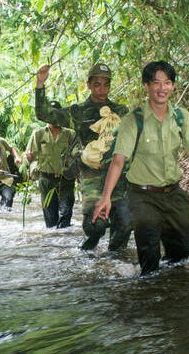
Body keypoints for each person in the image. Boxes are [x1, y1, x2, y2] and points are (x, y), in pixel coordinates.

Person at [93, 61, 189, 275]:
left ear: (173, 86)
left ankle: (170, 287)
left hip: (173, 193)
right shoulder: (133, 121)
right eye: (156, 83)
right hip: (142, 195)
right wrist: (105, 197)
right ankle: (150, 291)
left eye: (167, 83)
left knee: (182, 248)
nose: (162, 88)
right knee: (149, 256)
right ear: (146, 86)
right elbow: (118, 161)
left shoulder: (181, 117)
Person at [35, 63, 132, 250]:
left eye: (106, 84)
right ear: (88, 85)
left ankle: (115, 262)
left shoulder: (121, 111)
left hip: (119, 179)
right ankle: (92, 245)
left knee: (125, 224)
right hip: (92, 180)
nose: (102, 89)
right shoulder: (77, 112)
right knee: (95, 226)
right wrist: (40, 84)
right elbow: (43, 113)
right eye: (97, 84)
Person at [25, 102, 76, 228]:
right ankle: (53, 244)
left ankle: (64, 243)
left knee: (65, 213)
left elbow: (77, 155)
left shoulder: (70, 134)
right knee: (50, 219)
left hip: (66, 179)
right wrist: (28, 158)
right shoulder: (38, 133)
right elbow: (29, 156)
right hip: (46, 179)